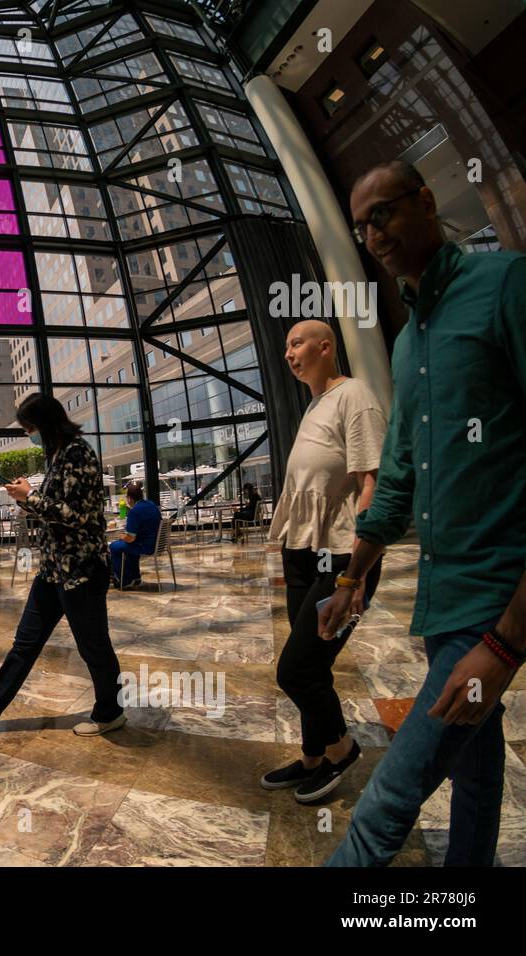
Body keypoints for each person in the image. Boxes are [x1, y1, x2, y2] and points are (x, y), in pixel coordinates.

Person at [319, 160, 526, 866]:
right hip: (443, 605)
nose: (372, 233)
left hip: (494, 603)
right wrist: (350, 582)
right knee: (472, 767)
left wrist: (504, 645)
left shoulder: (506, 287)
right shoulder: (409, 342)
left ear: (428, 202)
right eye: (360, 224)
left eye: (384, 213)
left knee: (386, 805)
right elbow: (401, 474)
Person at [261, 319, 387, 804]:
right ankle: (311, 757)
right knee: (312, 665)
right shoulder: (316, 403)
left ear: (325, 346)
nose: (289, 354)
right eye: (286, 347)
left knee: (296, 669)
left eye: (297, 343)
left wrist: (354, 575)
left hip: (339, 558)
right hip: (304, 552)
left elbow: (372, 484)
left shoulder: (354, 395)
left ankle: (342, 750)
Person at [0, 394, 126, 737]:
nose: (29, 434)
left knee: (94, 645)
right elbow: (53, 511)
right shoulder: (59, 455)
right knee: (26, 641)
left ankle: (110, 712)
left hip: (81, 570)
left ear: (45, 424)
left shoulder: (78, 453)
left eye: (30, 428)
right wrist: (26, 498)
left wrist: (29, 496)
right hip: (54, 569)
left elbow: (76, 516)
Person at [108, 483, 159, 589]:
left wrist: (120, 536)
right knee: (128, 547)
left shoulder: (134, 511)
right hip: (156, 543)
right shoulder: (151, 505)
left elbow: (130, 538)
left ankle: (125, 581)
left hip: (146, 546)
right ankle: (135, 577)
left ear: (130, 498)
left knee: (114, 546)